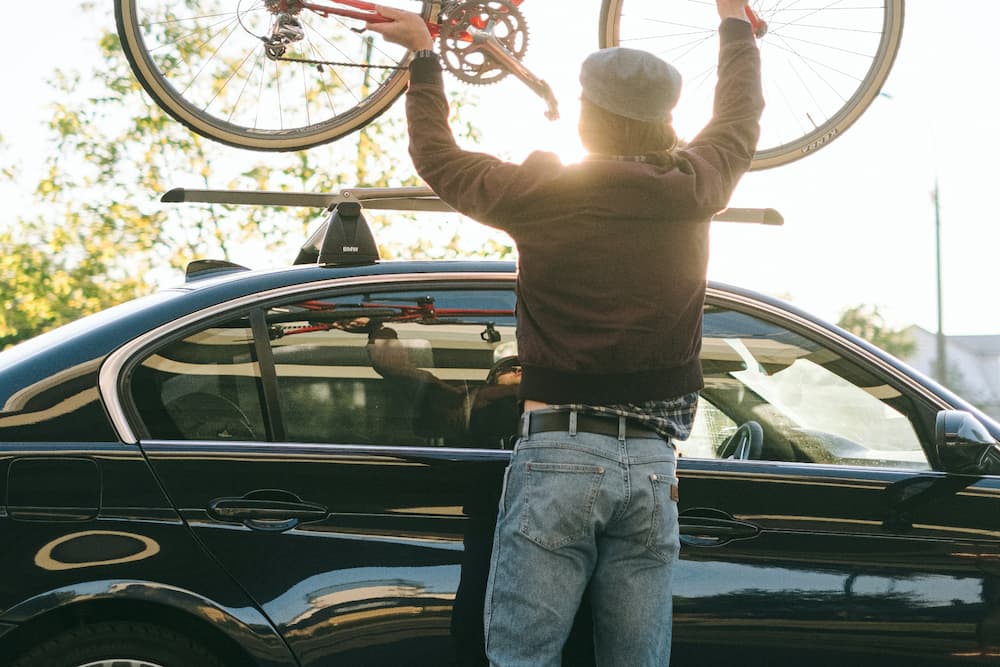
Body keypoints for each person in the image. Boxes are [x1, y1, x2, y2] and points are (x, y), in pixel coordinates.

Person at [366, 1, 763, 664]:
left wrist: (425, 58)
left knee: (524, 658)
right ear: (666, 117)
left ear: (587, 116)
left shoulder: (541, 192)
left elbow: (438, 157)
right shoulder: (696, 185)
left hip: (560, 458)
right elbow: (739, 114)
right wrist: (735, 26)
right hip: (654, 467)